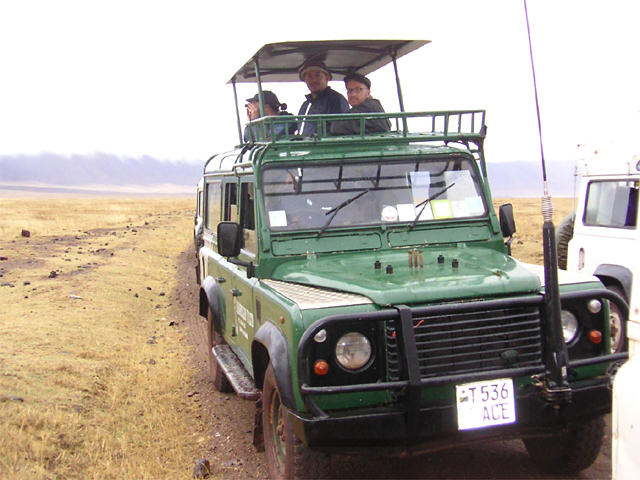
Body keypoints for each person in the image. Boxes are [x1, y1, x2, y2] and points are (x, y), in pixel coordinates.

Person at [297, 59, 349, 136]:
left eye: (318, 75)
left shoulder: (336, 100)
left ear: (327, 78)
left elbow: (341, 131)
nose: (314, 80)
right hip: (303, 147)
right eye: (309, 76)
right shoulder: (306, 104)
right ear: (305, 80)